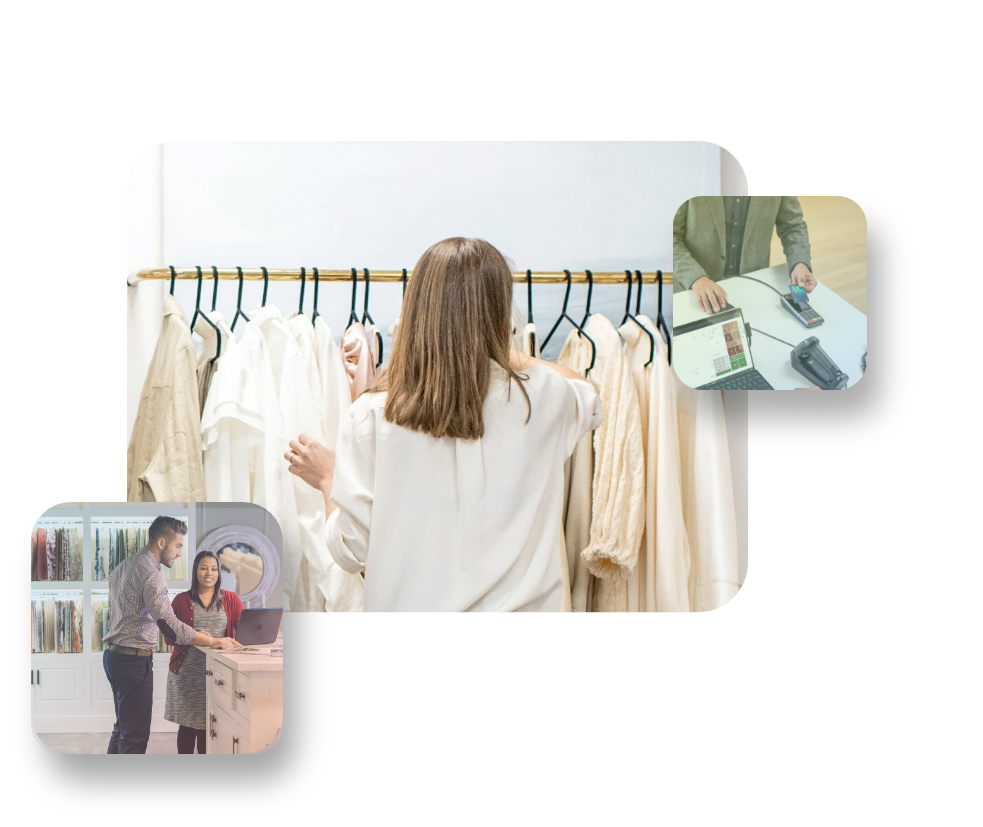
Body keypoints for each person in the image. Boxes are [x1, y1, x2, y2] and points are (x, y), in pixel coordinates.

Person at [283, 237, 605, 612]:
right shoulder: (545, 400)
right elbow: (586, 388)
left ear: (417, 309)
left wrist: (328, 478)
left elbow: (351, 552)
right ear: (501, 310)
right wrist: (495, 350)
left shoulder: (371, 416)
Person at [102, 516, 243, 754]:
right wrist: (211, 640)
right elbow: (169, 625)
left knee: (123, 728)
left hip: (114, 658)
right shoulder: (151, 574)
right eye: (178, 546)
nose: (179, 553)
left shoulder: (123, 566)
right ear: (161, 542)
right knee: (134, 735)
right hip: (133, 662)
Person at [161, 549, 244, 754]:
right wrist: (197, 636)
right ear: (195, 571)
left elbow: (243, 634)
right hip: (187, 673)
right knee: (188, 726)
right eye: (204, 568)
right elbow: (168, 636)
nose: (209, 573)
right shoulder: (181, 600)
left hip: (219, 673)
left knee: (211, 726)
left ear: (219, 573)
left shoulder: (231, 599)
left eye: (214, 569)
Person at [673, 196, 816, 314]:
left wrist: (800, 263)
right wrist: (696, 278)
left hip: (753, 285)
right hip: (696, 288)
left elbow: (793, 226)